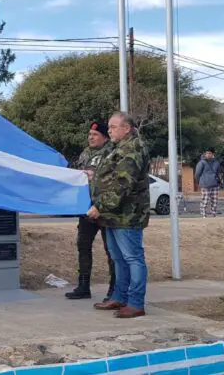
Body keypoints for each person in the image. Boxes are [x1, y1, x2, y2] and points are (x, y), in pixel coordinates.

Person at [88, 112, 150, 319]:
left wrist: (100, 206)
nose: (109, 131)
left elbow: (123, 184)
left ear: (127, 128)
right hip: (114, 215)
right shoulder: (119, 148)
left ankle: (136, 303)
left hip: (127, 215)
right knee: (118, 258)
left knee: (133, 258)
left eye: (113, 127)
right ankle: (119, 297)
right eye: (109, 127)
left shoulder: (133, 149)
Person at [66, 122, 116, 303]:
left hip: (105, 208)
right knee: (83, 245)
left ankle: (114, 289)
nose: (91, 137)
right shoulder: (85, 153)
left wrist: (94, 176)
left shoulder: (112, 152)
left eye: (95, 134)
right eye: (89, 134)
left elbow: (113, 179)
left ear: (105, 137)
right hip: (87, 208)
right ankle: (83, 286)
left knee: (111, 250)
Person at [195, 148, 221, 218]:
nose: (208, 154)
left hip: (215, 184)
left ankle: (214, 214)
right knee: (205, 200)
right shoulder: (201, 162)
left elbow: (218, 173)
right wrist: (199, 182)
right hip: (205, 184)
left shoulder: (216, 162)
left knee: (214, 200)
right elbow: (197, 174)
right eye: (206, 153)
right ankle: (203, 214)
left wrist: (218, 180)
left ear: (213, 154)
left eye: (209, 153)